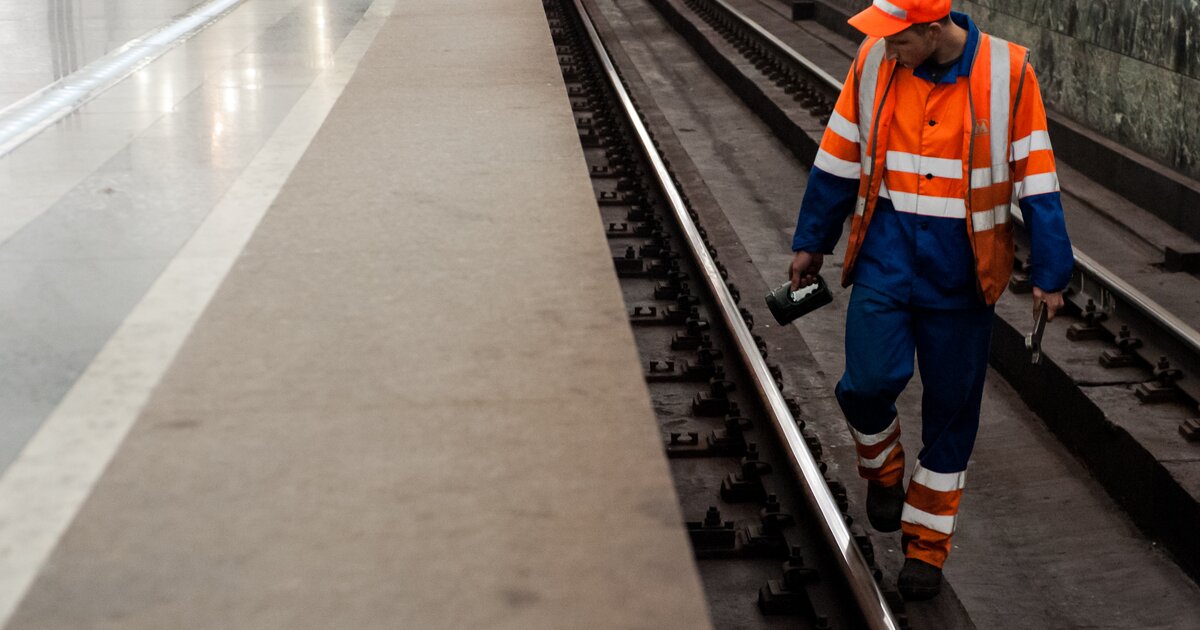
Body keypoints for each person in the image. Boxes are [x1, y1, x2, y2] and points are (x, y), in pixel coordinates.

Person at [788, 0, 1074, 600]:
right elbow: (838, 154)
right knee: (866, 383)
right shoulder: (873, 61)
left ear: (931, 29)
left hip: (962, 275)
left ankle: (925, 549)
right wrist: (813, 240)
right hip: (885, 259)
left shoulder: (1009, 73)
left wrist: (1051, 271)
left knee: (951, 415)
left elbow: (1038, 179)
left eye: (897, 41)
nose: (886, 50)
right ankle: (885, 470)